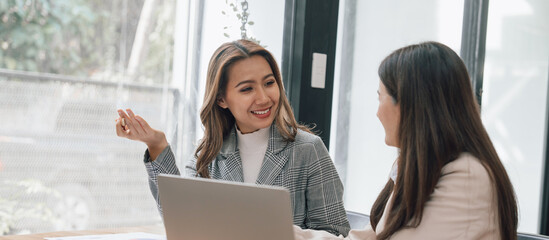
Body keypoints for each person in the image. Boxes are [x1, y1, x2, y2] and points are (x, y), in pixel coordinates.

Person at [116, 39, 351, 236]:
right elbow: (182, 223)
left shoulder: (307, 150)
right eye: (247, 89)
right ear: (221, 99)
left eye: (269, 83)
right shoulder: (207, 155)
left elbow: (336, 232)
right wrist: (156, 145)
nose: (263, 98)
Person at [293, 41, 518, 240]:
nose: (377, 113)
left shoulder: (468, 177)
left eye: (380, 97)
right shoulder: (422, 167)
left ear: (410, 105)